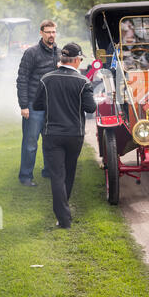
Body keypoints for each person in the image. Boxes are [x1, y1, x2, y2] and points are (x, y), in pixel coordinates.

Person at [33, 42, 96, 229]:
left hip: (52, 134)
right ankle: (63, 216)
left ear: (62, 58)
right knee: (68, 174)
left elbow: (37, 105)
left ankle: (63, 217)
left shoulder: (46, 79)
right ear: (76, 60)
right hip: (74, 135)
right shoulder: (83, 81)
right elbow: (91, 108)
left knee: (57, 176)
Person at [16, 20, 60, 186]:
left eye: (53, 32)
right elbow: (22, 79)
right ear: (41, 33)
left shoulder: (59, 52)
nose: (51, 35)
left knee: (50, 142)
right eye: (48, 32)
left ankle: (48, 171)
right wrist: (24, 105)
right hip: (34, 106)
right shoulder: (31, 53)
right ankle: (25, 176)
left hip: (52, 107)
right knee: (30, 143)